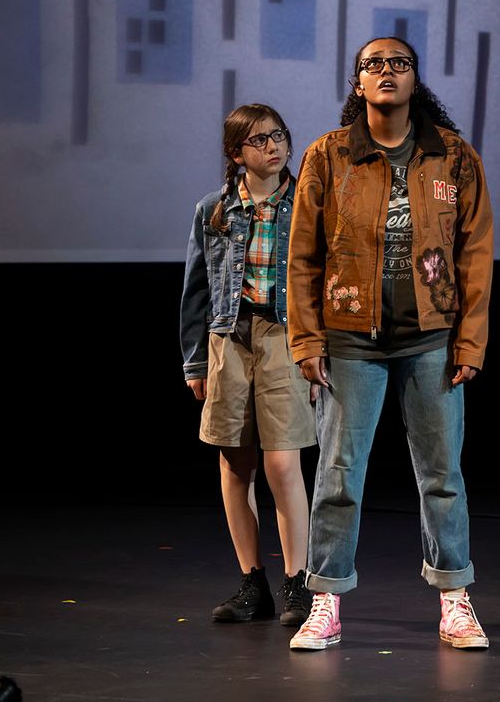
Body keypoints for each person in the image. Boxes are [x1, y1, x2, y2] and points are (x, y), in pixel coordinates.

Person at [285, 36, 495, 651]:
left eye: (397, 64)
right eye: (373, 65)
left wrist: (471, 342)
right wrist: (305, 338)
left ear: (415, 80)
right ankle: (324, 600)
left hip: (431, 337)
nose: (385, 73)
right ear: (358, 83)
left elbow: (476, 255)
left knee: (442, 475)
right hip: (350, 339)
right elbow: (302, 256)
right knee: (338, 473)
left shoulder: (453, 156)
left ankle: (455, 600)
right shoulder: (329, 156)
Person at [180, 103, 316, 627]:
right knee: (236, 463)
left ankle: (297, 584)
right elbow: (195, 290)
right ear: (237, 154)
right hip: (228, 339)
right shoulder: (213, 209)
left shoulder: (307, 201)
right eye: (258, 141)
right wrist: (194, 361)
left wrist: (315, 349)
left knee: (283, 465)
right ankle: (251, 582)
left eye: (278, 136)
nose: (273, 147)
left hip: (285, 336)